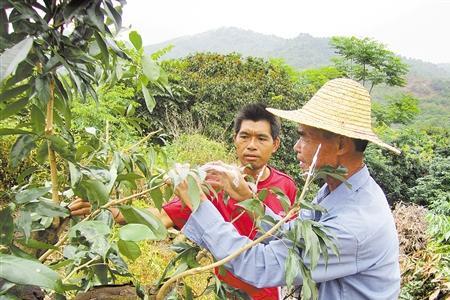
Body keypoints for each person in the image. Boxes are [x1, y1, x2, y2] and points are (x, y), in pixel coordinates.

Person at [174, 78, 401, 300]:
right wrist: (249, 200)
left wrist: (198, 204)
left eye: (304, 137)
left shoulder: (355, 225)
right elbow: (294, 236)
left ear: (341, 145)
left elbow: (260, 265)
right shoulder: (335, 191)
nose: (296, 147)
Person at [69, 103, 297, 300]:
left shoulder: (285, 187)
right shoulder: (213, 182)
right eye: (245, 136)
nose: (252, 145)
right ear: (234, 139)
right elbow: (161, 218)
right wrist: (112, 211)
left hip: (268, 293)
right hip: (226, 291)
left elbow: (290, 241)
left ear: (275, 144)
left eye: (261, 138)